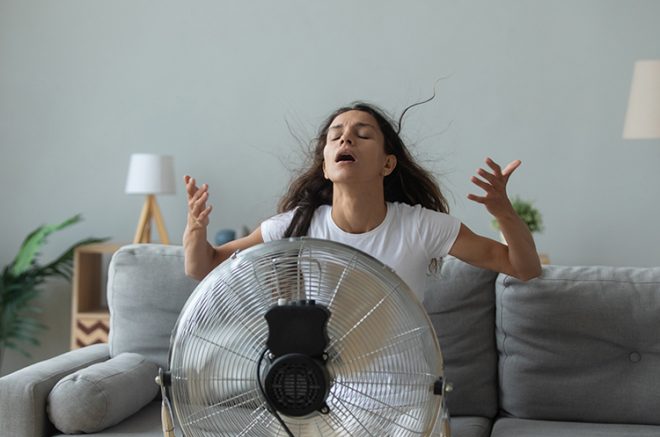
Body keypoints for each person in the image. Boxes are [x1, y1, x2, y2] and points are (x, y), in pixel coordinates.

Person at [183, 102, 541, 299]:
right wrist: (195, 231)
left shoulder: (421, 226)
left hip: (412, 394)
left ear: (388, 163)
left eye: (362, 134)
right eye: (336, 136)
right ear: (325, 166)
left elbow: (524, 267)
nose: (346, 140)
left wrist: (504, 212)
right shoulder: (295, 228)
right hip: (327, 396)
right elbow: (203, 267)